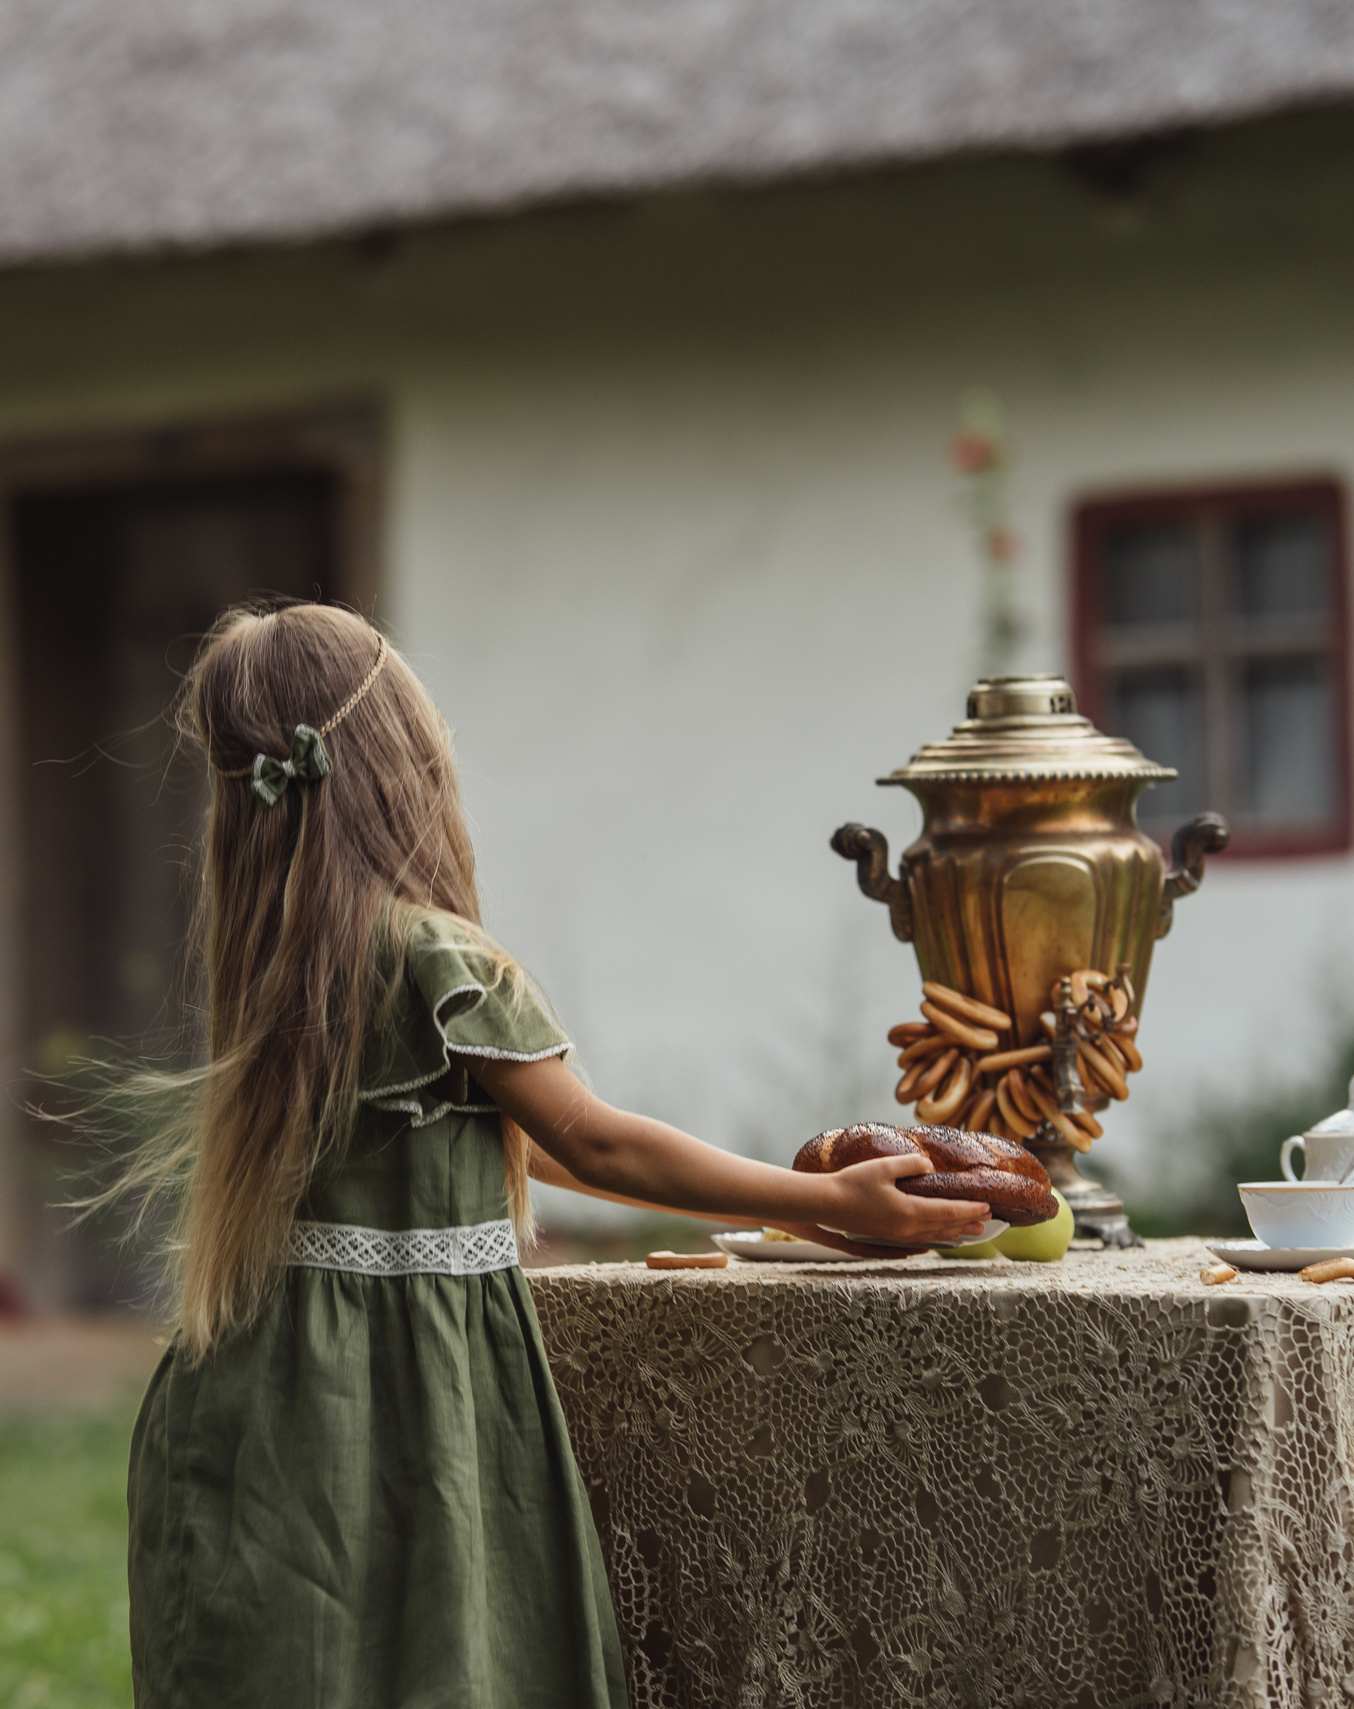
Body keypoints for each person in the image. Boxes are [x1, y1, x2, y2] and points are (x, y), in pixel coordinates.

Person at [113, 603, 987, 1709]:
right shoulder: (442, 957)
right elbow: (593, 1135)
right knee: (445, 1656)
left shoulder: (278, 958)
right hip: (413, 1391)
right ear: (403, 764)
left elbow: (513, 1132)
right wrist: (829, 1197)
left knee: (298, 1658)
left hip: (260, 1387)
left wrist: (794, 1204)